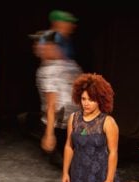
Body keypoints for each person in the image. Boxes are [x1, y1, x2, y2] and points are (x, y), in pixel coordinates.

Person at [34, 10, 82, 165]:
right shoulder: (49, 40)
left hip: (69, 112)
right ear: (58, 23)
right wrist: (49, 134)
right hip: (59, 111)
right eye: (68, 22)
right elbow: (52, 101)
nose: (72, 26)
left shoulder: (64, 42)